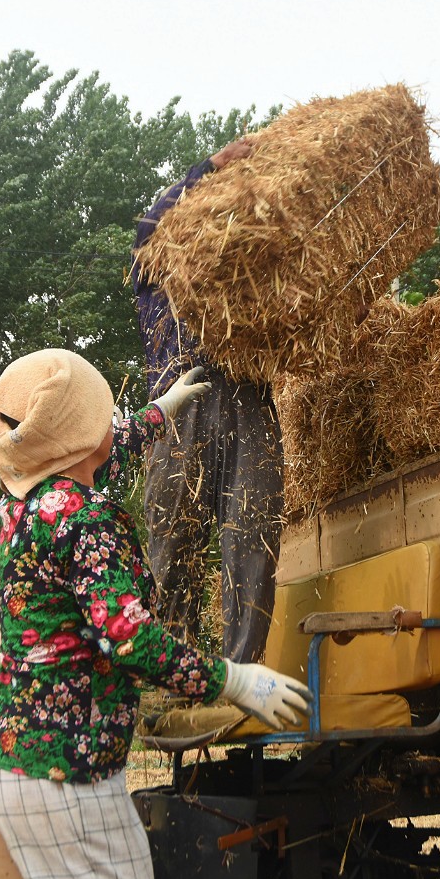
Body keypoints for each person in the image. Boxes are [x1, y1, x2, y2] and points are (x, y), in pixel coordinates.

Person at [0, 347, 311, 879]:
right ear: (80, 436)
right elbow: (131, 640)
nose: (112, 425)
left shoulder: (31, 503)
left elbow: (99, 447)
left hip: (20, 763)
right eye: (102, 416)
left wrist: (162, 410)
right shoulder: (86, 522)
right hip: (66, 774)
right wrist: (234, 680)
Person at [132, 137, 284, 664]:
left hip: (249, 396)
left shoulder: (251, 269)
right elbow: (147, 226)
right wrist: (212, 167)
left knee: (254, 534)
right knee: (172, 542)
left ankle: (243, 673)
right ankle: (176, 671)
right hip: (178, 400)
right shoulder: (156, 262)